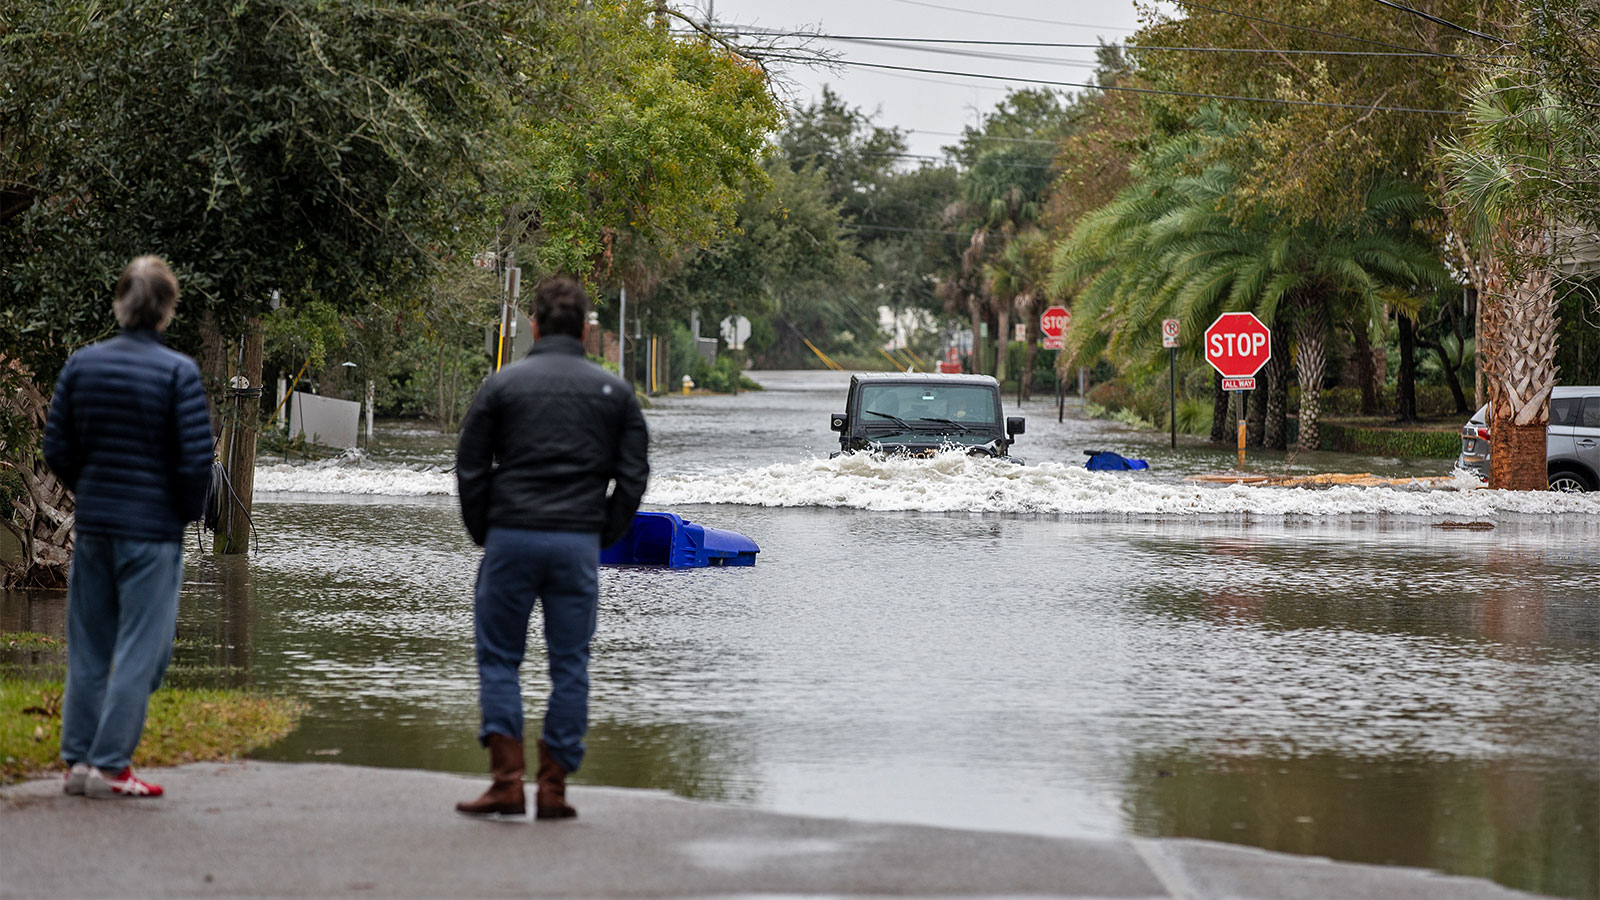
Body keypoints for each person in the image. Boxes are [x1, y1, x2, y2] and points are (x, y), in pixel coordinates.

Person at [453, 276, 649, 819]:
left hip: (510, 537)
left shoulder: (502, 385)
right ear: (587, 330)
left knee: (499, 659)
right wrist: (602, 531)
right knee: (571, 662)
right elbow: (634, 477)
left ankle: (507, 782)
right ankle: (555, 789)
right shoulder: (616, 393)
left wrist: (483, 530)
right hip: (576, 543)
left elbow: (470, 466)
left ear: (534, 325)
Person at [43, 255, 214, 799]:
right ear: (166, 310)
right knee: (144, 647)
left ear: (120, 304)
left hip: (94, 526)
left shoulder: (81, 366)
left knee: (89, 646)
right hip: (152, 533)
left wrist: (89, 488)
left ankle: (77, 762)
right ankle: (113, 764)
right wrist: (180, 514)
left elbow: (58, 449)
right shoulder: (178, 373)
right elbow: (195, 465)